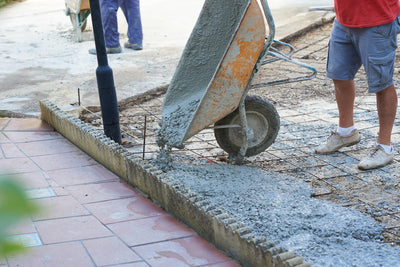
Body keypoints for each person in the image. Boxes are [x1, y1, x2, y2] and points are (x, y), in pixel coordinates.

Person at [315, 0, 400, 170]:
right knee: (339, 75)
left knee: (382, 84)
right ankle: (346, 132)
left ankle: (384, 147)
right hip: (344, 18)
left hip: (378, 19)